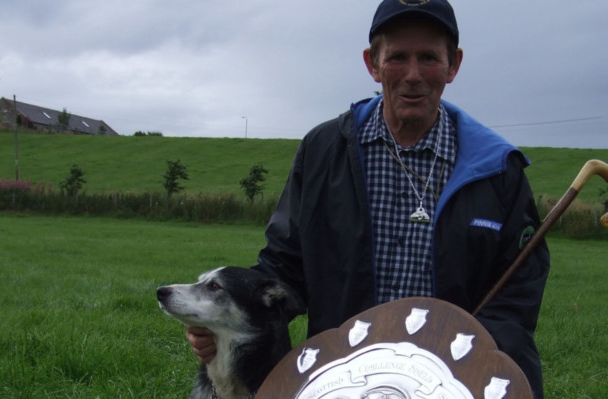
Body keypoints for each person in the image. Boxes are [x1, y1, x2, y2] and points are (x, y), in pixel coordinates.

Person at [186, 0, 550, 397]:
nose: (413, 75)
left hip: (454, 381)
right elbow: (284, 267)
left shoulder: (498, 167)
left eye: (429, 57)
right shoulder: (324, 149)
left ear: (453, 64)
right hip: (343, 380)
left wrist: (467, 365)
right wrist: (226, 315)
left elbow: (518, 291)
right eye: (397, 58)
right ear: (372, 64)